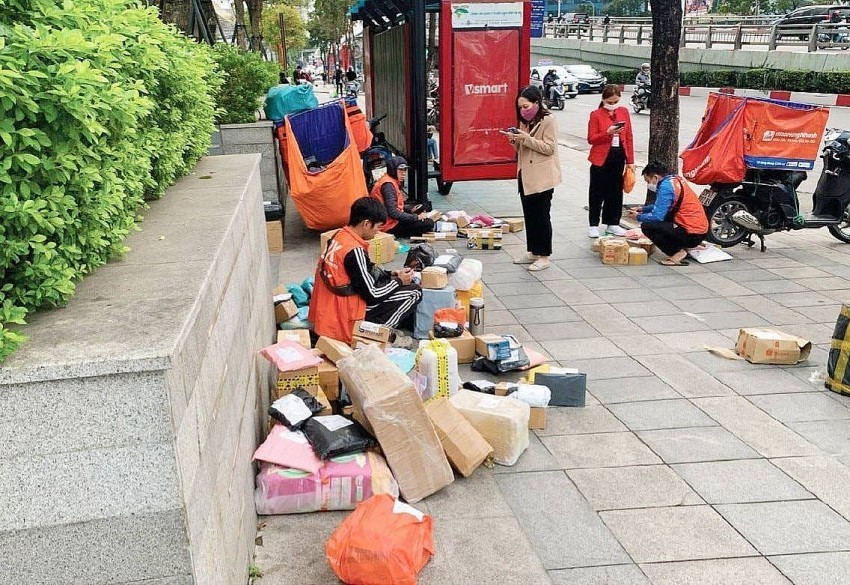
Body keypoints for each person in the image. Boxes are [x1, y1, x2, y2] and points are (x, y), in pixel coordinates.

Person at [309, 197, 422, 343]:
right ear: (366, 224)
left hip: (327, 309)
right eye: (378, 228)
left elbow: (360, 273)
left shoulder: (339, 236)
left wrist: (390, 274)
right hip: (344, 317)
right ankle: (375, 336)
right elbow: (372, 295)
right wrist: (399, 281)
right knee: (414, 291)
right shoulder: (354, 251)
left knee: (392, 284)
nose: (377, 233)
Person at [502, 85, 561, 272]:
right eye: (520, 107)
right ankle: (533, 251)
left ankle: (544, 256)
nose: (523, 110)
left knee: (542, 217)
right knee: (530, 215)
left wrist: (525, 138)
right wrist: (514, 141)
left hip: (542, 177)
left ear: (537, 103)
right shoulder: (525, 122)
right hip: (525, 175)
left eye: (526, 106)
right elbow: (523, 150)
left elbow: (549, 148)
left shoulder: (548, 120)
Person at [626, 161, 709, 266]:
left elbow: (657, 217)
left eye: (648, 181)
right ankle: (683, 245)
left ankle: (677, 252)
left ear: (655, 177)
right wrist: (643, 209)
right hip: (699, 230)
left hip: (692, 234)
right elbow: (664, 206)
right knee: (664, 220)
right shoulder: (675, 180)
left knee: (647, 226)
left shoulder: (665, 188)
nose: (649, 185)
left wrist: (638, 217)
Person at [586, 84, 635, 238]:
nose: (613, 105)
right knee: (597, 192)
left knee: (615, 192)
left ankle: (613, 223)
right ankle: (593, 224)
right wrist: (607, 133)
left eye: (616, 101)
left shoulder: (624, 112)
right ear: (604, 99)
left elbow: (629, 137)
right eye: (610, 102)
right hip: (601, 158)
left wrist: (630, 161)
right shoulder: (596, 114)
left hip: (618, 156)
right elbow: (591, 139)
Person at [370, 156, 435, 237]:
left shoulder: (389, 180)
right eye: (400, 170)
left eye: (405, 170)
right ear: (393, 170)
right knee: (428, 223)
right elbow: (392, 212)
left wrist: (410, 210)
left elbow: (394, 206)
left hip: (388, 219)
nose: (404, 173)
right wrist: (416, 217)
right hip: (388, 225)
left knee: (420, 210)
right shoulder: (388, 185)